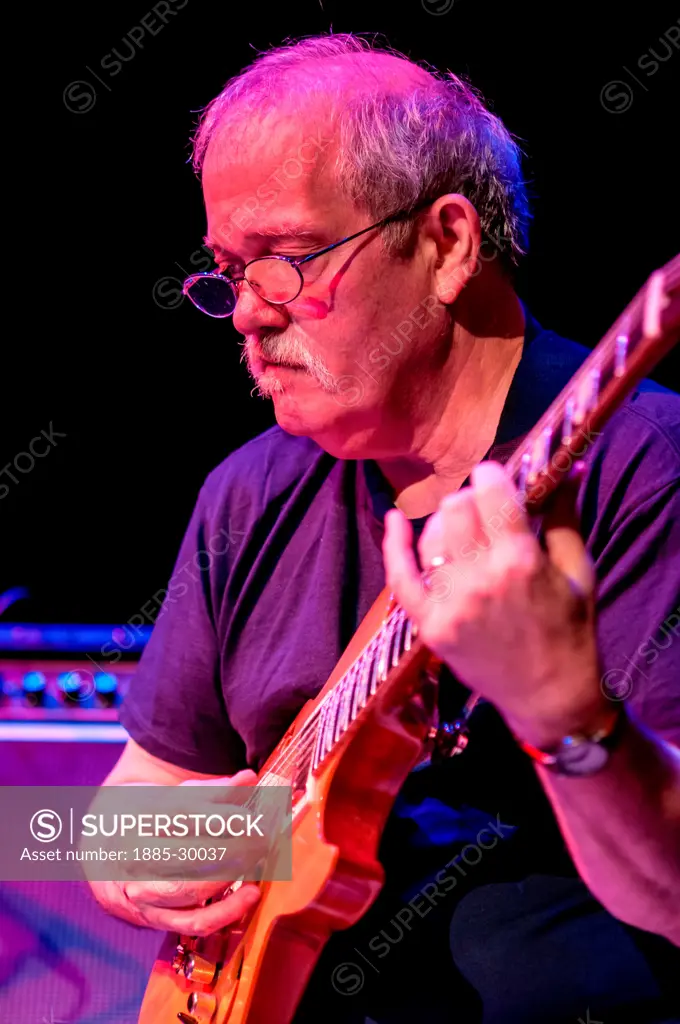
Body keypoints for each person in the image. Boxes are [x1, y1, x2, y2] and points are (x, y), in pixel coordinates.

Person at [93, 33, 680, 1024]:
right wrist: (148, 855)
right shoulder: (245, 494)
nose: (244, 313)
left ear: (446, 243)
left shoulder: (642, 466)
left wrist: (560, 715)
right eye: (227, 271)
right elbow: (105, 819)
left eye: (283, 261)